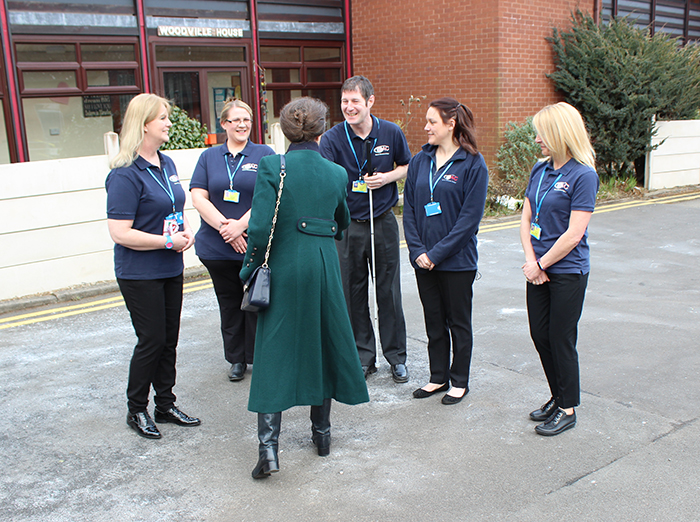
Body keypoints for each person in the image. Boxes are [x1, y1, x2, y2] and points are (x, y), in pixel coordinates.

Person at [240, 97, 369, 479]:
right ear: (321, 128)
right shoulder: (336, 172)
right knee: (323, 344)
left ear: (283, 129)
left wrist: (249, 268)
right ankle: (322, 435)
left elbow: (261, 227)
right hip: (324, 265)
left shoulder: (271, 165)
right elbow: (342, 222)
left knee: (274, 350)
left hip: (283, 265)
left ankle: (269, 450)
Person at [106, 93, 201, 439]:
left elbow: (175, 208)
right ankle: (136, 409)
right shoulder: (125, 173)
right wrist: (165, 242)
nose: (169, 123)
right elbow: (120, 232)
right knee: (151, 339)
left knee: (169, 340)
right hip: (139, 272)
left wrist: (186, 229)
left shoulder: (168, 164)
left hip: (169, 267)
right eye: (163, 118)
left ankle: (165, 403)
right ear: (144, 123)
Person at [319, 75, 411, 383]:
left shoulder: (391, 132)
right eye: (344, 101)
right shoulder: (332, 138)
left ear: (370, 102)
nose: (349, 107)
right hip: (347, 226)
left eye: (355, 101)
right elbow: (326, 178)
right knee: (352, 294)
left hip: (382, 220)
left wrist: (386, 178)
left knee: (388, 292)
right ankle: (363, 356)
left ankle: (396, 357)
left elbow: (407, 166)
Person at [520, 102, 599, 436]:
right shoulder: (540, 170)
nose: (537, 138)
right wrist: (530, 261)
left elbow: (573, 234)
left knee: (560, 338)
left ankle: (567, 408)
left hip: (567, 271)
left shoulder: (583, 175)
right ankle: (558, 395)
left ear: (560, 133)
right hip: (537, 268)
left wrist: (541, 263)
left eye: (542, 132)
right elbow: (525, 218)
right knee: (541, 335)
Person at [403, 98, 488, 405]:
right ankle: (437, 377)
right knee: (433, 321)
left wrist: (436, 254)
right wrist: (417, 250)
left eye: (432, 122)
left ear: (451, 125)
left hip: (456, 261)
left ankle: (459, 381)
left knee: (458, 323)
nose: (425, 127)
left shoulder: (473, 164)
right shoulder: (419, 161)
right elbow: (410, 209)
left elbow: (468, 221)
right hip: (423, 260)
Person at [190, 99, 275, 382]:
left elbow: (271, 194)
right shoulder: (209, 157)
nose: (242, 125)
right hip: (216, 246)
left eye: (247, 120)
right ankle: (236, 359)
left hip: (254, 245)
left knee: (256, 301)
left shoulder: (264, 153)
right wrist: (226, 229)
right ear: (224, 124)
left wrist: (240, 226)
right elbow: (198, 196)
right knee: (228, 303)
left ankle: (258, 355)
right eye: (236, 120)